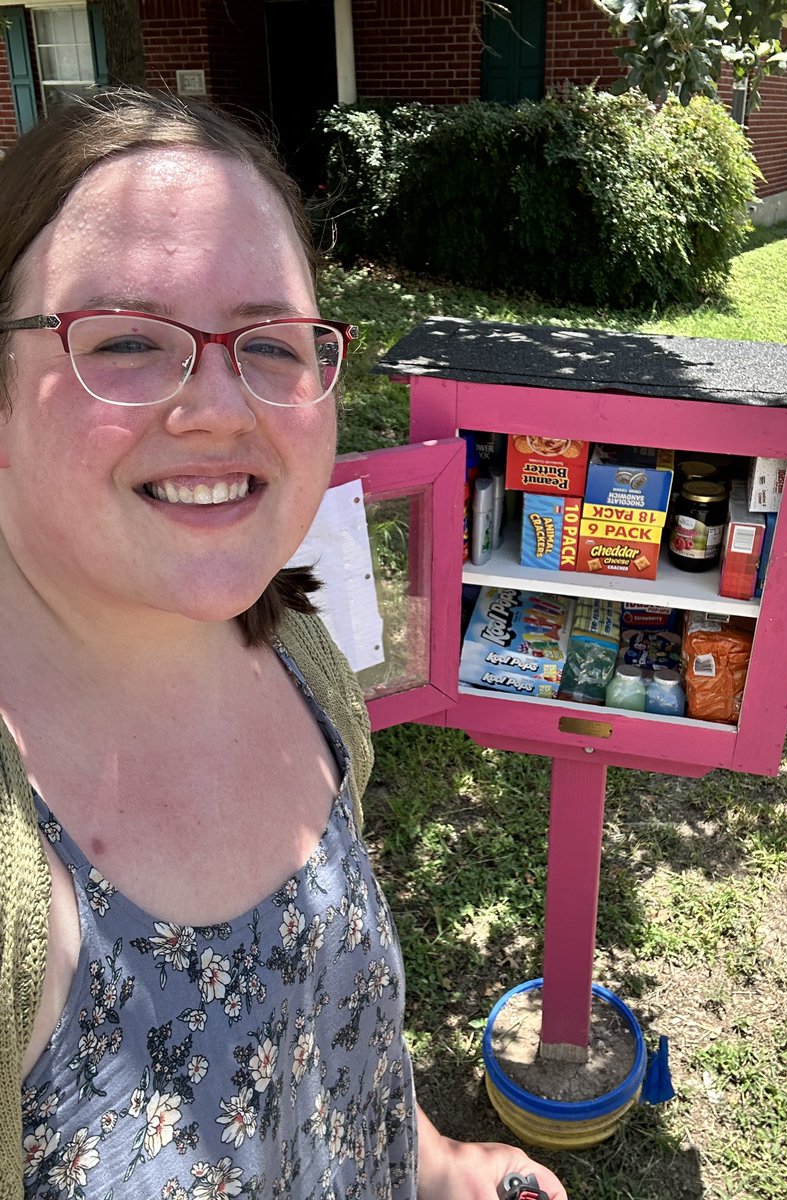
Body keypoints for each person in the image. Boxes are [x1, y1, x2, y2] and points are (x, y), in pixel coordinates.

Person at [0, 89, 567, 1199]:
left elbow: (326, 999)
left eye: (270, 342)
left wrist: (436, 1165)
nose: (219, 406)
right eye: (122, 340)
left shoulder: (294, 642)